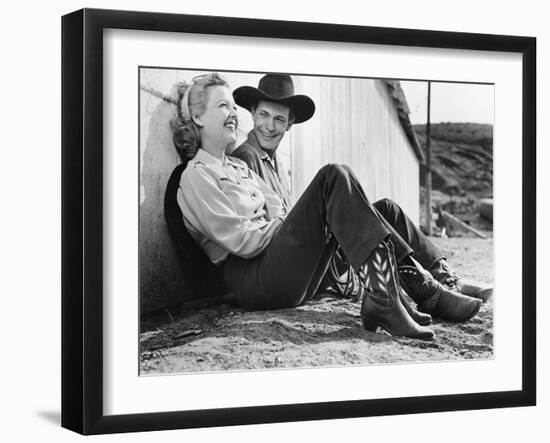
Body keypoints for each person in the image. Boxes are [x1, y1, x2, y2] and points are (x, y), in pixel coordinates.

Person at [171, 72, 484, 341]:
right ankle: (395, 297)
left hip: (276, 267)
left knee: (382, 208)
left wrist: (298, 221)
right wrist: (300, 222)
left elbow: (276, 205)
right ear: (198, 118)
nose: (233, 113)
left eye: (232, 105)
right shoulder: (197, 176)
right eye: (222, 105)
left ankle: (417, 290)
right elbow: (244, 241)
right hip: (254, 281)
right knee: (334, 176)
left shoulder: (238, 169)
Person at [231, 73, 493, 307]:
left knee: (386, 209)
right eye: (264, 115)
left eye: (279, 119)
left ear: (289, 124)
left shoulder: (275, 162)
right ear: (252, 113)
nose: (270, 126)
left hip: (301, 259)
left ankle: (445, 276)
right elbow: (259, 234)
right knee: (341, 187)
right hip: (284, 270)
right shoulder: (245, 158)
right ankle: (425, 287)